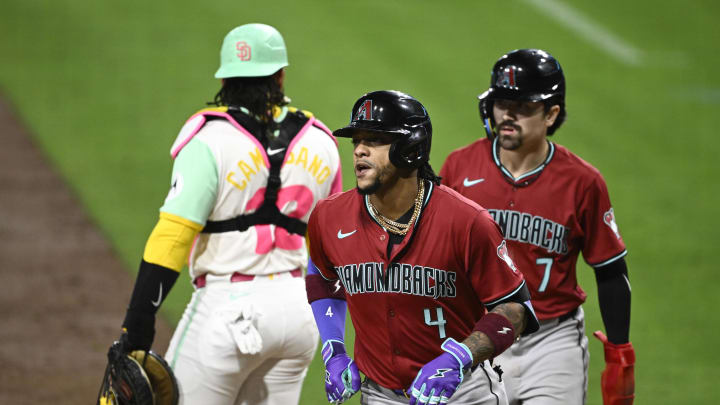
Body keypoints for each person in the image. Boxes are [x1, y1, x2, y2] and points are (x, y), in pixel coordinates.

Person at [114, 23, 342, 404]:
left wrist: (137, 327)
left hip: (229, 313)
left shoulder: (209, 141)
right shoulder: (322, 142)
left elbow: (173, 237)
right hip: (299, 316)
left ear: (224, 78)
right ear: (281, 75)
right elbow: (331, 249)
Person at [304, 90, 539, 405]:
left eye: (374, 140)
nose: (359, 150)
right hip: (379, 395)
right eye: (356, 140)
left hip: (462, 395)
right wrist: (334, 348)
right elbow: (321, 273)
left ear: (410, 149)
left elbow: (515, 309)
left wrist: (461, 356)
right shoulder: (329, 217)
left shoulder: (467, 222)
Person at [439, 49, 635, 405]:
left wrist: (620, 348)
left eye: (524, 107)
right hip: (478, 337)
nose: (507, 115)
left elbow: (609, 270)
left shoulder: (582, 182)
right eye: (501, 103)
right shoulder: (459, 167)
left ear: (552, 113)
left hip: (551, 343)